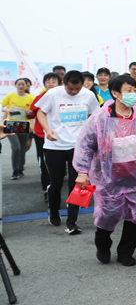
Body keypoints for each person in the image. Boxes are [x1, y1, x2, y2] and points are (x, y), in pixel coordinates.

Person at [73, 74, 136, 266]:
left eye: (134, 90)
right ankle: (102, 244)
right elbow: (85, 144)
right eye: (128, 90)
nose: (133, 94)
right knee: (107, 214)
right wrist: (82, 172)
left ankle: (126, 252)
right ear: (115, 93)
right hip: (107, 178)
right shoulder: (100, 118)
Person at [36, 70, 100, 233]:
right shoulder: (53, 93)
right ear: (64, 83)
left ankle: (72, 222)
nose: (73, 92)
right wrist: (47, 129)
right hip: (54, 145)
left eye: (76, 89)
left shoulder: (88, 95)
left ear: (82, 84)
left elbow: (95, 114)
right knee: (56, 183)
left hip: (79, 146)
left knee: (77, 184)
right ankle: (54, 211)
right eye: (70, 89)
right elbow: (40, 112)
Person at [29, 72, 62, 202]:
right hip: (41, 134)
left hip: (60, 135)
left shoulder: (64, 97)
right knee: (44, 163)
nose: (51, 84)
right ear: (44, 84)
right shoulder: (39, 98)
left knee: (61, 165)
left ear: (59, 83)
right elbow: (31, 114)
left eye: (54, 81)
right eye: (48, 82)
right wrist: (29, 112)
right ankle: (47, 190)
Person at [2, 77, 34, 179]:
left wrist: (31, 122)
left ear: (26, 86)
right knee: (16, 147)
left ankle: (20, 168)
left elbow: (34, 113)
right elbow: (2, 106)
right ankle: (15, 171)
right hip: (11, 125)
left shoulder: (30, 98)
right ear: (15, 85)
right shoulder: (10, 96)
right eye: (18, 84)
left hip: (24, 125)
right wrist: (6, 110)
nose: (20, 86)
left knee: (22, 148)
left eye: (22, 84)